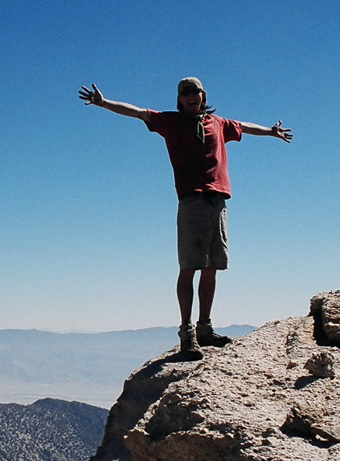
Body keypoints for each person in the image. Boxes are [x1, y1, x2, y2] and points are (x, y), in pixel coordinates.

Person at [78, 77, 293, 358]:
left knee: (212, 266)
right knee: (189, 267)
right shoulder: (171, 122)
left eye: (196, 92)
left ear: (203, 95)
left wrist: (271, 131)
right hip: (192, 201)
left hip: (218, 201)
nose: (191, 97)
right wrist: (104, 103)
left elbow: (244, 126)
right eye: (185, 93)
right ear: (179, 99)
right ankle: (187, 333)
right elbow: (138, 112)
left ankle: (205, 328)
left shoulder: (218, 123)